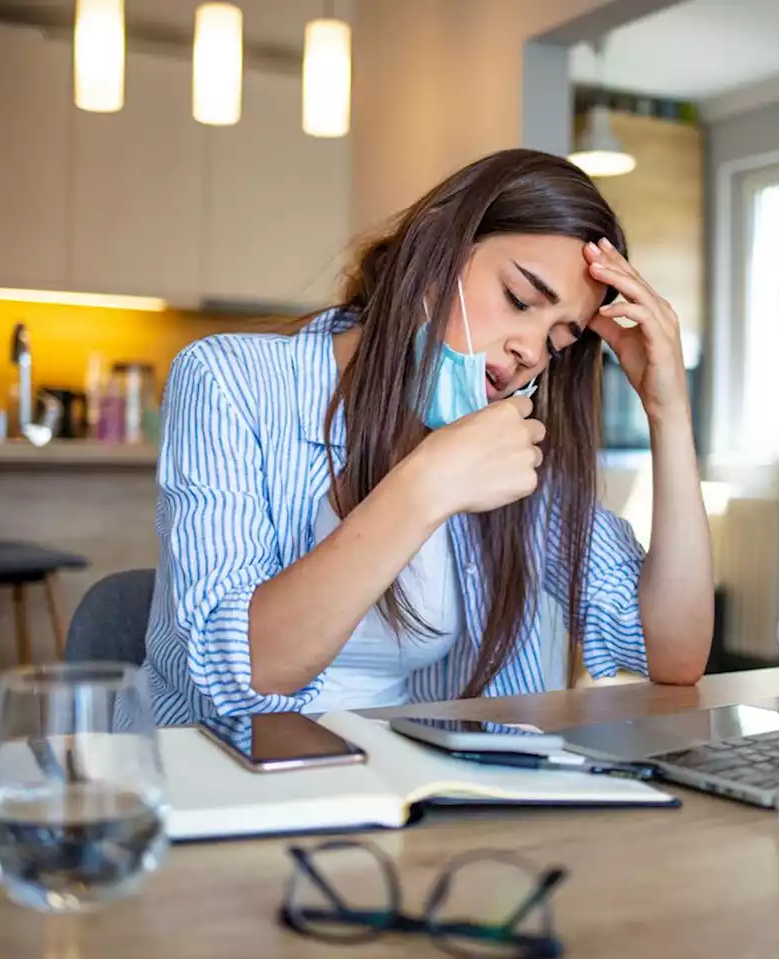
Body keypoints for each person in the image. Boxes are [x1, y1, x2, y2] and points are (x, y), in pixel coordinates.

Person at [142, 148, 715, 724]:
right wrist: (428, 484)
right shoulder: (228, 380)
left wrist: (669, 414)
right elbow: (239, 673)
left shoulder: (513, 444)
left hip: (413, 790)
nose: (530, 350)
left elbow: (673, 652)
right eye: (519, 300)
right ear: (437, 248)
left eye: (558, 341)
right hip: (226, 784)